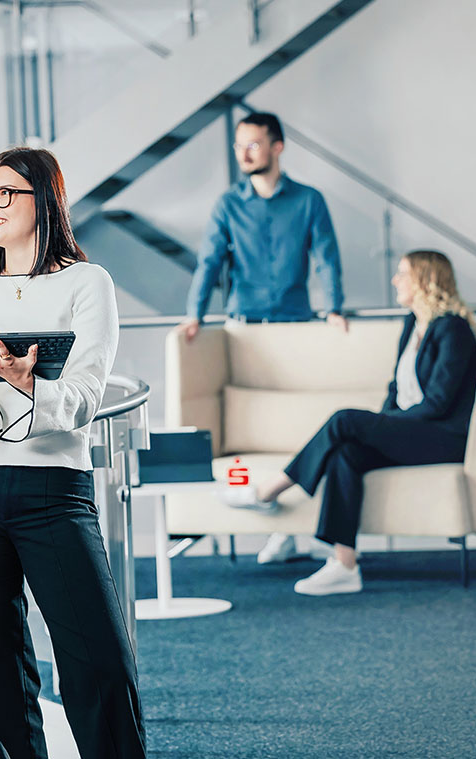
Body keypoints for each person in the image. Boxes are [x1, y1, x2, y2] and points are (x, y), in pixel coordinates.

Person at [0, 147, 146, 759]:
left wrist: (25, 389)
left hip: (54, 490)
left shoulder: (87, 283)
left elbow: (84, 397)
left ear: (43, 200)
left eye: (4, 194)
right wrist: (18, 397)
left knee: (99, 662)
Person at [229, 250, 476, 595]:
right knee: (345, 452)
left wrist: (384, 424)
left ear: (426, 280)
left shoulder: (453, 329)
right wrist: (384, 425)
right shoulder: (412, 324)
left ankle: (268, 491)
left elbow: (438, 403)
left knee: (344, 420)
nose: (395, 280)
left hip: (444, 437)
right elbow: (397, 389)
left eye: (403, 274)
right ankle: (344, 565)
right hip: (411, 431)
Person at [181, 110, 347, 564]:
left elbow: (327, 256)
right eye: (239, 146)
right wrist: (194, 315)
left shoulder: (309, 200)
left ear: (277, 147)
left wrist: (334, 308)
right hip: (244, 328)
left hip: (295, 326)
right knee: (252, 428)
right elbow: (209, 262)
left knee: (293, 426)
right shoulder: (227, 205)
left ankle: (298, 524)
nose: (244, 153)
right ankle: (278, 528)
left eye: (253, 144)